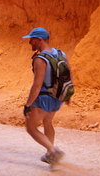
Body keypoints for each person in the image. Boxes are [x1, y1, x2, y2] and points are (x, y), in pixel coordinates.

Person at [22, 27, 70, 165]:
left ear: (39, 40)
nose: (30, 42)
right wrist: (67, 95)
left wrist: (27, 105)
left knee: (30, 128)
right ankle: (50, 155)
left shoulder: (40, 59)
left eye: (32, 39)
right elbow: (66, 76)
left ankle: (53, 150)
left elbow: (36, 86)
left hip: (44, 98)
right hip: (57, 97)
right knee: (47, 122)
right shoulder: (61, 54)